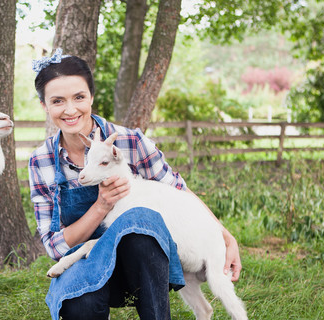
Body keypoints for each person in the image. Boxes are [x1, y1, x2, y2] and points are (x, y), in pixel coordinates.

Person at [28, 49, 242, 320]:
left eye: (79, 97)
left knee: (140, 221)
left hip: (142, 265)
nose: (70, 110)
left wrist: (224, 236)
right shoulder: (41, 161)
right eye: (57, 101)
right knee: (76, 305)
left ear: (92, 97)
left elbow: (178, 188)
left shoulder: (130, 141)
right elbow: (55, 246)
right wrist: (101, 205)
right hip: (86, 262)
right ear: (45, 106)